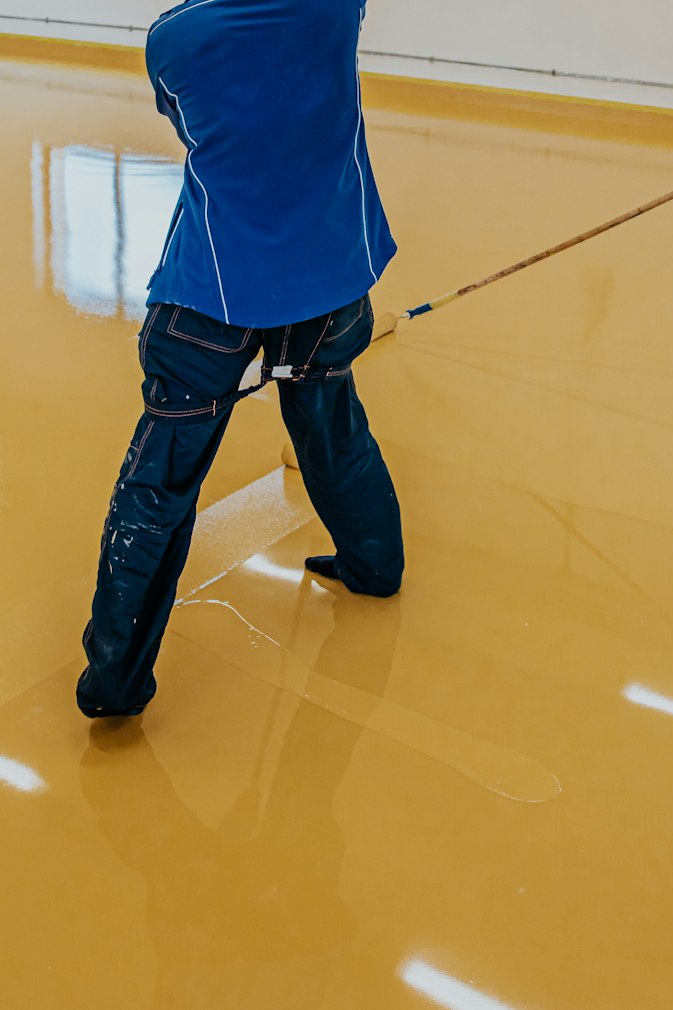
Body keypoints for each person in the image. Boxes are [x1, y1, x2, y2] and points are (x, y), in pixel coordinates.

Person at [77, 0, 405, 720]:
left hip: (211, 299)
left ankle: (115, 680)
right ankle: (375, 567)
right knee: (332, 427)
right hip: (331, 288)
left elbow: (186, 119)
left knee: (159, 480)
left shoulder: (175, 39)